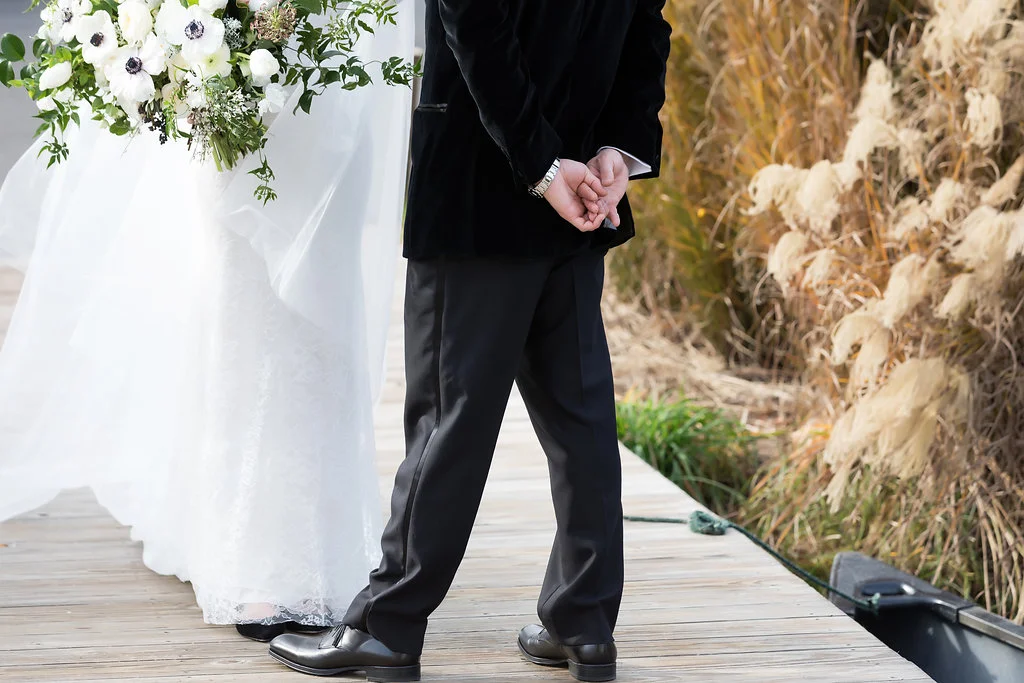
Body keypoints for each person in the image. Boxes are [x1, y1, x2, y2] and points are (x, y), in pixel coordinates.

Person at [267, 0, 672, 680]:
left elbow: (478, 24)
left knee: (448, 419)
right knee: (581, 419)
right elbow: (645, 29)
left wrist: (545, 166)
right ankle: (585, 620)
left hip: (482, 191)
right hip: (582, 199)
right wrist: (613, 155)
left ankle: (386, 626)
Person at [0, 1, 415, 642]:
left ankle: (317, 550)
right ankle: (250, 560)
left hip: (323, 93)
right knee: (242, 318)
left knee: (319, 320)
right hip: (218, 98)